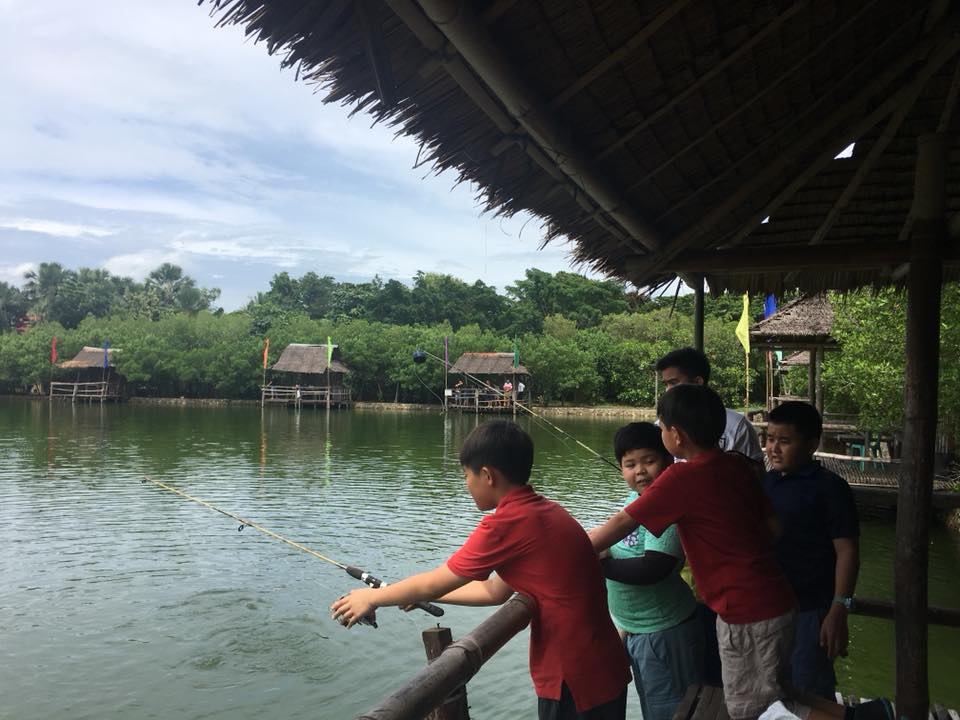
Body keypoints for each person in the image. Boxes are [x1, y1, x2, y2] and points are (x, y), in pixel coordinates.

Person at [331, 420, 630, 719]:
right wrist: (408, 594)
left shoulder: (507, 523)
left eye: (466, 476)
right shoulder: (545, 510)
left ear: (487, 475)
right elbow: (494, 590)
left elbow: (436, 582)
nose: (466, 484)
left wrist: (370, 598)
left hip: (574, 678)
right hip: (602, 667)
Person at [589, 385, 796, 720]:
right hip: (775, 596)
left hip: (744, 610)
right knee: (781, 698)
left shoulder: (681, 478)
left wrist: (577, 549)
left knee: (753, 710)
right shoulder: (736, 464)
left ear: (675, 435)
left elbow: (625, 521)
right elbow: (774, 529)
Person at [602, 422, 704, 720]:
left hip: (665, 631)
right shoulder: (635, 502)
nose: (640, 471)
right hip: (639, 630)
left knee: (672, 711)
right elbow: (614, 544)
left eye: (649, 461)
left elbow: (654, 567)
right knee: (655, 709)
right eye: (630, 464)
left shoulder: (666, 506)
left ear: (668, 460)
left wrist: (602, 565)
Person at [764, 402, 860, 700]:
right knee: (773, 690)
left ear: (811, 444)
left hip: (812, 610)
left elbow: (847, 552)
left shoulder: (830, 488)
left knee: (810, 691)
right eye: (769, 439)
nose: (773, 449)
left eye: (784, 441)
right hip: (770, 608)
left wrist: (838, 608)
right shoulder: (767, 482)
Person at [655, 347, 763, 462]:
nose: (668, 390)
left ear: (697, 382)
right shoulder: (661, 426)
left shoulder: (737, 426)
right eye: (666, 384)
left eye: (673, 383)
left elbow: (755, 473)